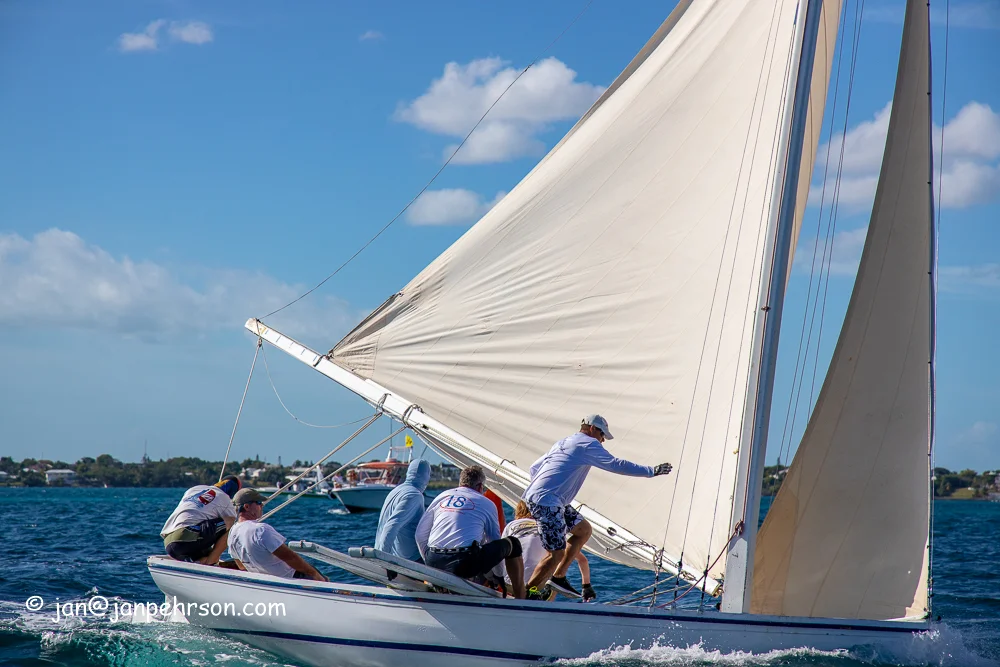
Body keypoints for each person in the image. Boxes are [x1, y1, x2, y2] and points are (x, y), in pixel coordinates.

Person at [522, 414, 673, 597]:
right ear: (592, 429)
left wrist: (546, 487)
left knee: (583, 530)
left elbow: (534, 468)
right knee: (556, 553)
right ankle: (528, 593)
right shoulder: (588, 444)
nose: (603, 441)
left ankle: (558, 577)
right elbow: (616, 464)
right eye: (602, 435)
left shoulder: (564, 442)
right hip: (547, 501)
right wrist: (651, 471)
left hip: (550, 499)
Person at [416, 465, 526, 599]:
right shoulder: (487, 503)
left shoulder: (441, 496)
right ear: (480, 486)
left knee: (475, 548)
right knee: (513, 543)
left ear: (460, 483)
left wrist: (431, 562)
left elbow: (420, 535)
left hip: (433, 559)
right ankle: (521, 598)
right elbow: (494, 540)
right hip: (464, 564)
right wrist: (498, 576)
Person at [227, 488, 328, 581]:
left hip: (267, 581)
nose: (262, 505)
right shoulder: (260, 530)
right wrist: (315, 575)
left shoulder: (232, 533)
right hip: (291, 578)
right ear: (247, 507)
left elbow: (241, 566)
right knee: (323, 577)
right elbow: (291, 557)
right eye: (258, 503)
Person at [502, 501, 596, 601]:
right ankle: (544, 599)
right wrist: (586, 586)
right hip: (536, 585)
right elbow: (582, 561)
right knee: (555, 572)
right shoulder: (553, 530)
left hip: (509, 582)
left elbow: (502, 552)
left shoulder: (512, 525)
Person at [161, 475, 241, 564]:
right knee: (234, 524)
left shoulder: (193, 489)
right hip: (186, 538)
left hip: (169, 542)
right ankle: (211, 561)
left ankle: (202, 560)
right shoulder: (225, 498)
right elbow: (235, 527)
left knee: (207, 553)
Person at [375, 459, 431, 561]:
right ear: (426, 475)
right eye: (428, 474)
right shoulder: (414, 495)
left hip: (392, 553)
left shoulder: (396, 490)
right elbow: (391, 526)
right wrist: (384, 560)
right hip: (409, 559)